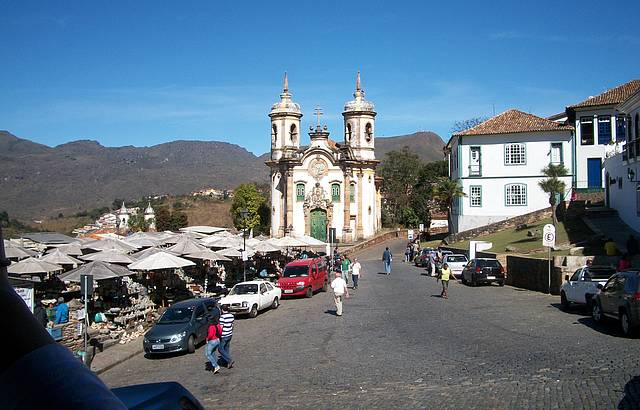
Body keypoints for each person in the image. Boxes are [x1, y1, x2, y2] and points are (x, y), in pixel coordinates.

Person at [218, 305, 235, 369]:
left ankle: (229, 360)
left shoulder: (222, 317)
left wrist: (219, 335)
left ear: (222, 310)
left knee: (220, 349)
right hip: (230, 334)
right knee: (226, 348)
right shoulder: (231, 316)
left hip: (224, 335)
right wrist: (231, 331)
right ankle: (226, 362)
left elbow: (221, 327)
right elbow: (232, 325)